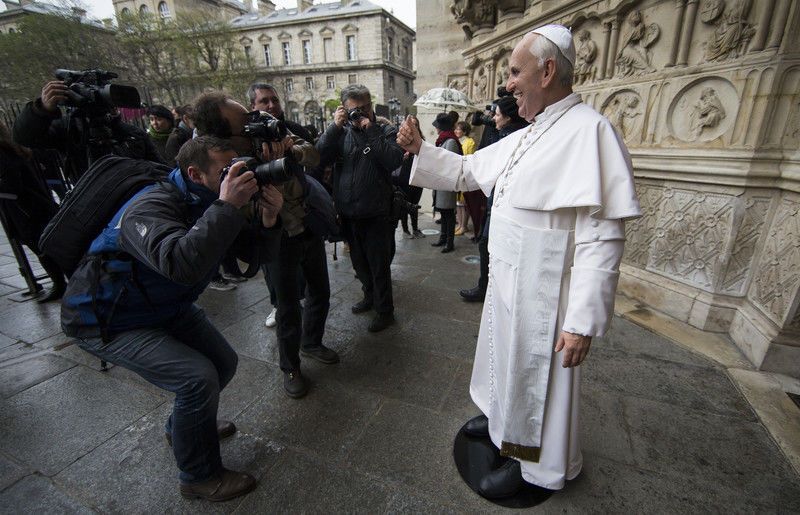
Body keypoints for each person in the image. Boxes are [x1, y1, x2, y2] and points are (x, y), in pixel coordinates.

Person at [397, 25, 641, 498]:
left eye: (514, 71)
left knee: (536, 380)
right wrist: (417, 150)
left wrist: (582, 322)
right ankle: (500, 428)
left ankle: (532, 464)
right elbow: (469, 172)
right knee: (502, 361)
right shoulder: (532, 131)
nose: (506, 83)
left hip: (545, 290)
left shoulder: (590, 131)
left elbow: (602, 237)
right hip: (509, 278)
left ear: (548, 70)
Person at [62, 136, 285, 501]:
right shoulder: (150, 207)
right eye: (226, 171)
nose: (237, 177)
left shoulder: (209, 200)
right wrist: (228, 206)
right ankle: (198, 477)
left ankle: (184, 428)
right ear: (195, 173)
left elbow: (250, 260)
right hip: (108, 318)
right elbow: (181, 264)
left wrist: (269, 218)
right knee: (196, 378)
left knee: (223, 363)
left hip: (162, 305)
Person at [194, 91, 337, 398]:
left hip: (308, 227)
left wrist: (292, 152)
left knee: (321, 293)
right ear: (223, 136)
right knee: (287, 308)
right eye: (243, 122)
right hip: (277, 240)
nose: (253, 124)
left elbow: (312, 155)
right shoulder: (223, 165)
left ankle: (312, 342)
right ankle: (291, 367)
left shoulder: (272, 130)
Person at [316, 84, 404, 333]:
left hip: (376, 211)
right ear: (345, 109)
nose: (362, 112)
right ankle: (369, 296)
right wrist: (334, 127)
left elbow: (393, 160)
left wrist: (370, 129)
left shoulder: (385, 129)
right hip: (347, 211)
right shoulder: (340, 132)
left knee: (379, 265)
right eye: (356, 109)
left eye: (366, 107)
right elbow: (319, 156)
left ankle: (385, 311)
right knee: (358, 263)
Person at [246, 83, 313, 328]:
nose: (272, 105)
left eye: (274, 99)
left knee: (299, 271)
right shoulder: (246, 137)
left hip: (296, 214)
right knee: (273, 269)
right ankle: (279, 305)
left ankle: (297, 299)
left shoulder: (290, 130)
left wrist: (292, 149)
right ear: (253, 107)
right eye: (264, 101)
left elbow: (313, 155)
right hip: (266, 216)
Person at [12, 80, 164, 181]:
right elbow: (24, 137)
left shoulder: (133, 133)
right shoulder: (69, 131)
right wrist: (41, 110)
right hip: (95, 210)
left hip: (137, 204)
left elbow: (162, 169)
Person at [459, 97, 528, 303]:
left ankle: (487, 289)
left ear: (507, 117)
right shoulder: (506, 133)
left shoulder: (509, 139)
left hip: (502, 205)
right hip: (497, 203)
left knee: (489, 245)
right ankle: (488, 288)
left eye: (497, 115)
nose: (493, 119)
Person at [0, 121, 66, 302]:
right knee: (47, 246)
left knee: (42, 247)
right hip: (35, 207)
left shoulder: (4, 153)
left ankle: (60, 284)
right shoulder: (14, 148)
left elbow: (12, 186)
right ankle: (63, 282)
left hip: (26, 211)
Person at [430, 113, 461, 253]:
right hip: (441, 182)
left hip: (447, 184)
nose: (436, 129)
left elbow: (450, 162)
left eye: (437, 126)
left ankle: (450, 242)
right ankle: (443, 239)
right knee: (443, 213)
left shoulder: (451, 141)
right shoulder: (444, 140)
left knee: (448, 214)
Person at [454, 121, 482, 240]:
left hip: (465, 175)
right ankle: (460, 224)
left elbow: (469, 160)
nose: (456, 131)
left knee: (464, 203)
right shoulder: (458, 141)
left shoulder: (470, 142)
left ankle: (464, 225)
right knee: (458, 203)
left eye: (458, 129)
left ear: (464, 131)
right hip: (458, 174)